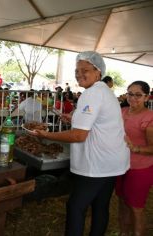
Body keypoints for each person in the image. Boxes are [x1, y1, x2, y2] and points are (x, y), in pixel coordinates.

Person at [30, 51, 129, 236]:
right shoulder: (105, 92)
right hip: (113, 162)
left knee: (76, 206)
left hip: (97, 165)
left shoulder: (91, 94)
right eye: (77, 70)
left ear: (98, 72)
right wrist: (74, 118)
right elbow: (96, 122)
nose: (79, 74)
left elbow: (78, 136)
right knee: (100, 205)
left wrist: (47, 135)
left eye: (85, 70)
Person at [115, 81, 153, 236]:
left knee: (136, 209)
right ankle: (124, 233)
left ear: (147, 97)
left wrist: (135, 148)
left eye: (138, 95)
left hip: (140, 168)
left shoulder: (149, 117)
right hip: (119, 165)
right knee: (122, 204)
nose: (133, 98)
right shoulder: (121, 111)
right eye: (130, 93)